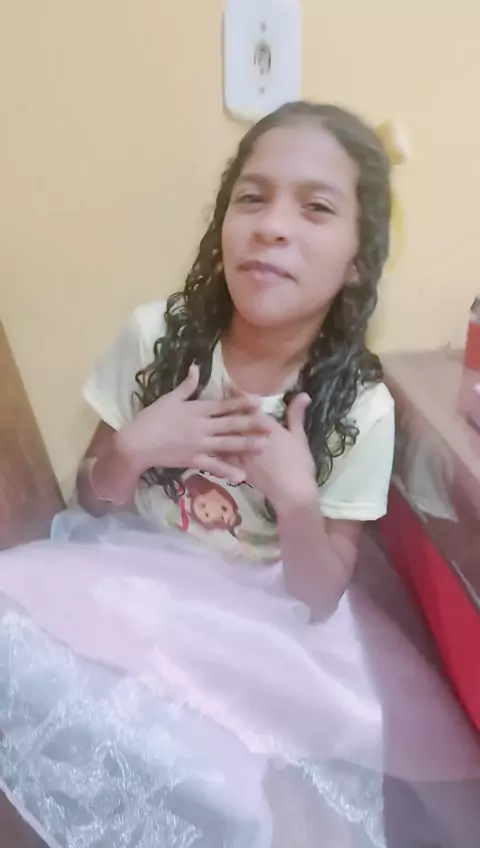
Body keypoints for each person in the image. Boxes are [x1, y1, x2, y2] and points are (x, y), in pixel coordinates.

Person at [0, 102, 479, 848]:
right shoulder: (154, 338)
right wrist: (132, 451)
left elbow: (318, 594)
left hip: (274, 623)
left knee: (263, 801)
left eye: (316, 208)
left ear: (357, 259)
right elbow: (92, 502)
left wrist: (296, 501)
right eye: (251, 198)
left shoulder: (361, 405)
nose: (273, 226)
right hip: (140, 580)